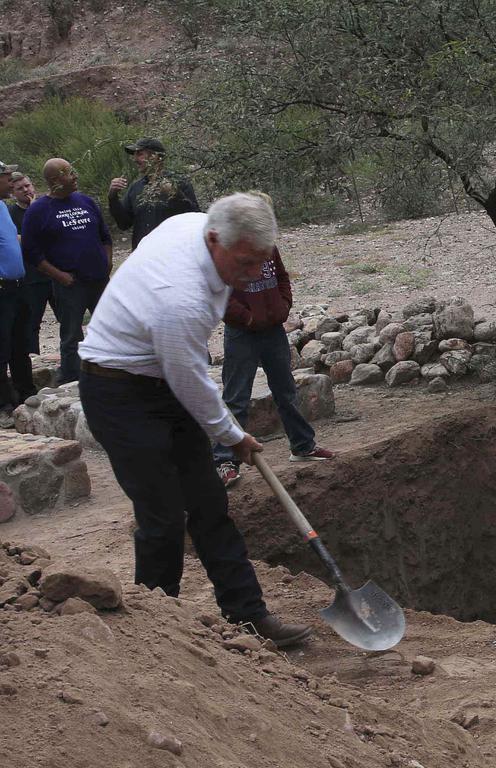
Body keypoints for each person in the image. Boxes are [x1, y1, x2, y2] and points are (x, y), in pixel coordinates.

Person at [76, 192, 312, 648]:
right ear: (213, 239)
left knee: (209, 505)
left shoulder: (198, 227)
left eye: (258, 265)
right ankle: (158, 631)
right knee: (162, 515)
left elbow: (181, 377)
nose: (249, 276)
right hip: (116, 389)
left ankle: (248, 615)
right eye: (243, 264)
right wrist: (233, 435)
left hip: (160, 376)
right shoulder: (178, 297)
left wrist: (226, 432)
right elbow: (189, 379)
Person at [212, 198, 334, 488]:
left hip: (273, 330)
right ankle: (224, 460)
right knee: (236, 397)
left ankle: (302, 446)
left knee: (286, 390)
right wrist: (248, 319)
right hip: (242, 333)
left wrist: (283, 306)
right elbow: (220, 294)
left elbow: (281, 277)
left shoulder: (268, 247)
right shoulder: (230, 249)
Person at [21, 158, 112, 384]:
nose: (75, 176)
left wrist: (107, 263)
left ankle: (112, 372)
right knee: (72, 334)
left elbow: (105, 236)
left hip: (99, 280)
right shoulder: (39, 211)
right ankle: (72, 379)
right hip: (70, 284)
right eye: (69, 173)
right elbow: (32, 253)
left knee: (111, 328)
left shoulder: (86, 201)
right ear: (54, 180)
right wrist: (59, 275)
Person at [108, 137, 200, 250]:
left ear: (156, 157)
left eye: (140, 154)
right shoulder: (135, 188)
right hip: (143, 256)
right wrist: (113, 197)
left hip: (173, 254)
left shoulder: (179, 183)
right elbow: (124, 224)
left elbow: (195, 218)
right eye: (134, 155)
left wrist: (175, 194)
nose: (135, 159)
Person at [8, 172, 59, 358]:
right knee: (32, 324)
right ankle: (35, 362)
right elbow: (16, 241)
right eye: (19, 188)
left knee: (68, 318)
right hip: (30, 277)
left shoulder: (47, 206)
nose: (25, 190)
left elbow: (55, 235)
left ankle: (74, 358)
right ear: (12, 192)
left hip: (55, 273)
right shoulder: (10, 213)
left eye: (27, 186)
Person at [0, 161, 30, 423]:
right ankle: (3, 406)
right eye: (7, 178)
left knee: (20, 344)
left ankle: (24, 395)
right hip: (1, 289)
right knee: (2, 347)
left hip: (17, 287)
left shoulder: (2, 207)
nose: (11, 183)